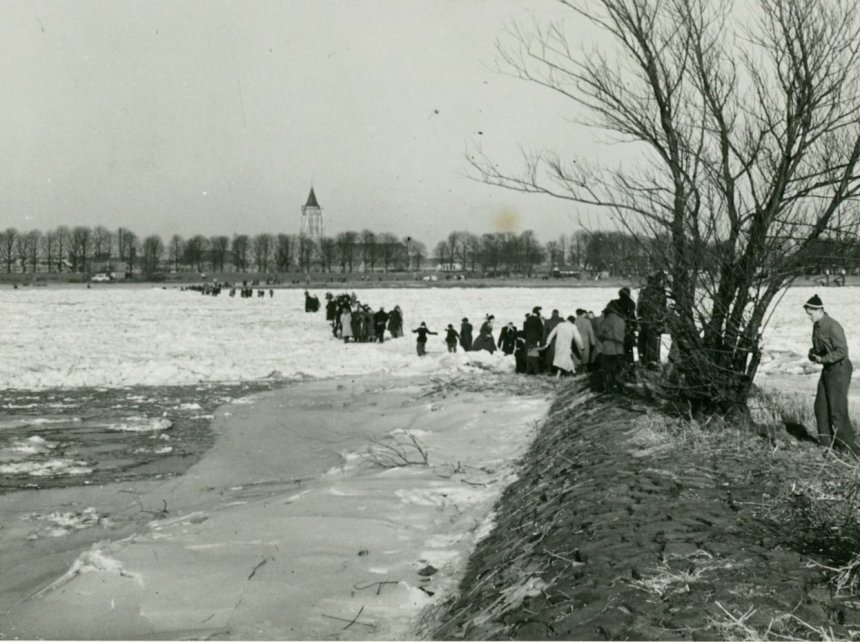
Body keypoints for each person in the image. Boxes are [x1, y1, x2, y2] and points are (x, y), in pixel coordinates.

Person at [805, 294, 859, 454]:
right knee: (820, 406)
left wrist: (823, 359)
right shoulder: (817, 325)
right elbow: (820, 347)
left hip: (840, 369)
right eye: (807, 314)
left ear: (820, 310)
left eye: (811, 313)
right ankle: (826, 445)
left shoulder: (833, 326)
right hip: (828, 369)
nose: (809, 317)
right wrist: (813, 354)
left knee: (837, 410)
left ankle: (847, 447)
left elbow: (842, 351)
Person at [637, 272, 667, 367]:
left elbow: (639, 306)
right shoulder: (660, 292)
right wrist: (662, 319)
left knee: (643, 340)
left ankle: (643, 360)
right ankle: (653, 361)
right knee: (653, 341)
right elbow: (663, 307)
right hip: (653, 320)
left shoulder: (644, 292)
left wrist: (639, 317)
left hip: (644, 320)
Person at [596, 301, 626, 392]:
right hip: (620, 350)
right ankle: (621, 388)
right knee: (619, 370)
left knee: (607, 371)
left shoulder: (604, 321)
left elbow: (600, 335)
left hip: (608, 351)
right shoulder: (622, 321)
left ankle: (608, 388)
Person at [617, 287, 638, 374]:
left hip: (618, 329)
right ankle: (630, 366)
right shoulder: (631, 303)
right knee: (629, 349)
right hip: (628, 329)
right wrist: (634, 326)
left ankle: (621, 366)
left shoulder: (616, 303)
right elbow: (632, 317)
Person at [574, 308, 598, 373]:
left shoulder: (574, 321)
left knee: (577, 356)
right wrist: (593, 342)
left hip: (576, 340)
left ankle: (578, 371)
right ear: (582, 314)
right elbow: (591, 332)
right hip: (585, 340)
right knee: (585, 356)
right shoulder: (587, 321)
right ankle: (584, 370)